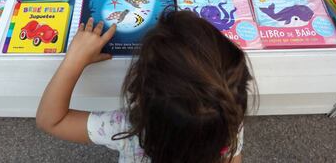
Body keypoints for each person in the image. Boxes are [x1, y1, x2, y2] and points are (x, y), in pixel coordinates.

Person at [36, 10, 254, 163]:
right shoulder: (229, 118)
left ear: (140, 94)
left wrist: (74, 60)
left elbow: (52, 120)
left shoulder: (127, 128)